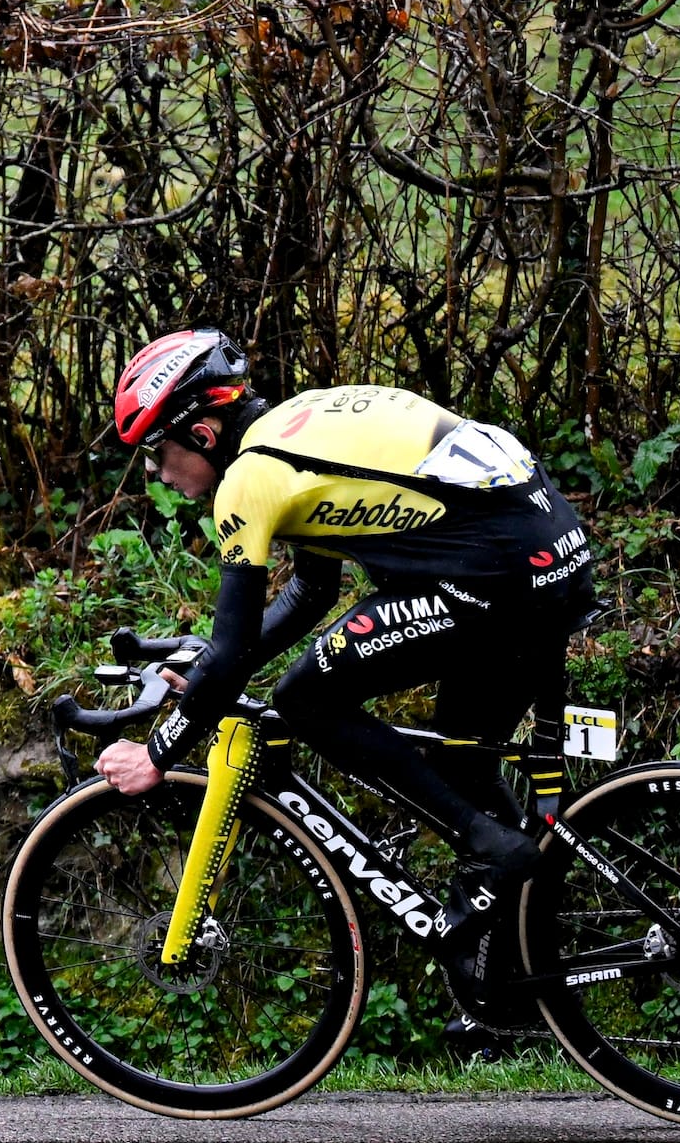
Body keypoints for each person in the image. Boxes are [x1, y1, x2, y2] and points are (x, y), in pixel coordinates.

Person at [93, 328, 598, 1021]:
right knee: (463, 759)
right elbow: (310, 593)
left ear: (203, 432)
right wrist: (210, 671)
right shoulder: (291, 430)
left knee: (305, 697)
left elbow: (235, 647)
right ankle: (504, 956)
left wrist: (156, 753)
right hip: (545, 555)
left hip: (496, 572)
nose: (156, 472)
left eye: (158, 451)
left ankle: (491, 854)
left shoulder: (249, 479)